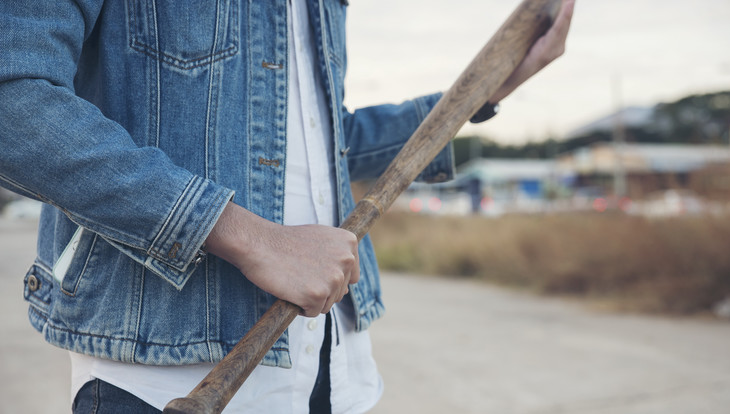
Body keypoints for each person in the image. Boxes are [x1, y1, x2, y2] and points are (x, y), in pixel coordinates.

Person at [0, 0, 574, 412]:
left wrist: (483, 93)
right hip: (164, 373)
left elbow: (325, 145)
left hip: (331, 364)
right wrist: (251, 238)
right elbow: (13, 100)